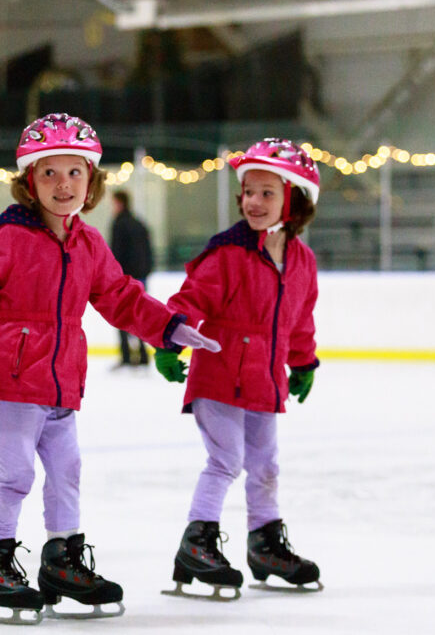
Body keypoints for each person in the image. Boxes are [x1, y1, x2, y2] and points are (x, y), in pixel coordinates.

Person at [0, 113, 220, 623]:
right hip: (11, 377)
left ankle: (62, 558)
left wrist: (169, 328)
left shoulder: (88, 243)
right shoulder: (10, 237)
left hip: (61, 381)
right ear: (29, 182)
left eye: (75, 173)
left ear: (91, 181)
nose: (63, 185)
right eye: (49, 173)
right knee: (17, 472)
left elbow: (121, 296)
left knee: (67, 471)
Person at [154, 137, 323, 599]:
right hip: (219, 373)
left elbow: (299, 319)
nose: (252, 201)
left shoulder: (302, 261)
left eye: (266, 192)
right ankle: (198, 543)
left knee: (266, 465)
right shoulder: (229, 253)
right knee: (225, 460)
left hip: (265, 381)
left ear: (295, 198)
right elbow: (188, 300)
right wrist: (170, 337)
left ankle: (265, 545)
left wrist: (303, 362)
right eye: (247, 191)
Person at [109, 190, 153, 367]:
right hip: (140, 277)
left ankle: (127, 355)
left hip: (125, 278)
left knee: (121, 316)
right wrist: (146, 271)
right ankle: (142, 355)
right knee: (138, 315)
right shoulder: (139, 223)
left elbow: (116, 253)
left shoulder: (119, 224)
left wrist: (115, 277)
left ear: (119, 203)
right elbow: (149, 251)